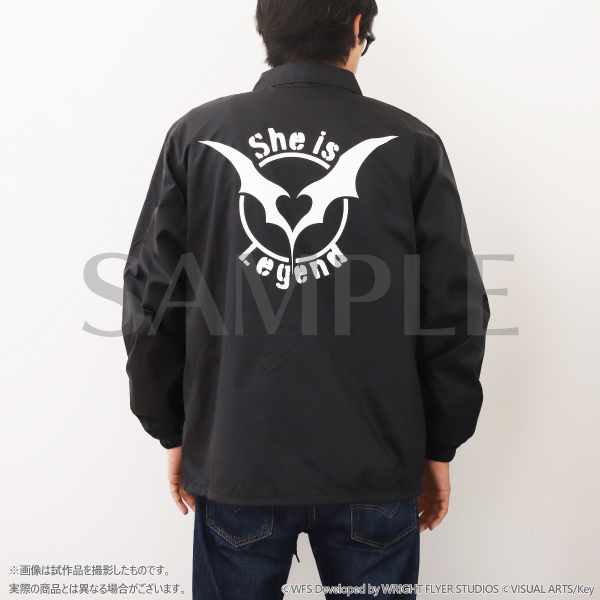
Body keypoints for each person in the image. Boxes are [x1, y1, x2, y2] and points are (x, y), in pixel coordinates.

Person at [121, 0, 491, 597]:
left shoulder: (197, 136)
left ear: (265, 28)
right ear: (356, 28)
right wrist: (438, 444)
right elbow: (453, 310)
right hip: (375, 464)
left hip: (237, 458)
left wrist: (173, 429)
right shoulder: (412, 144)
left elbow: (151, 299)